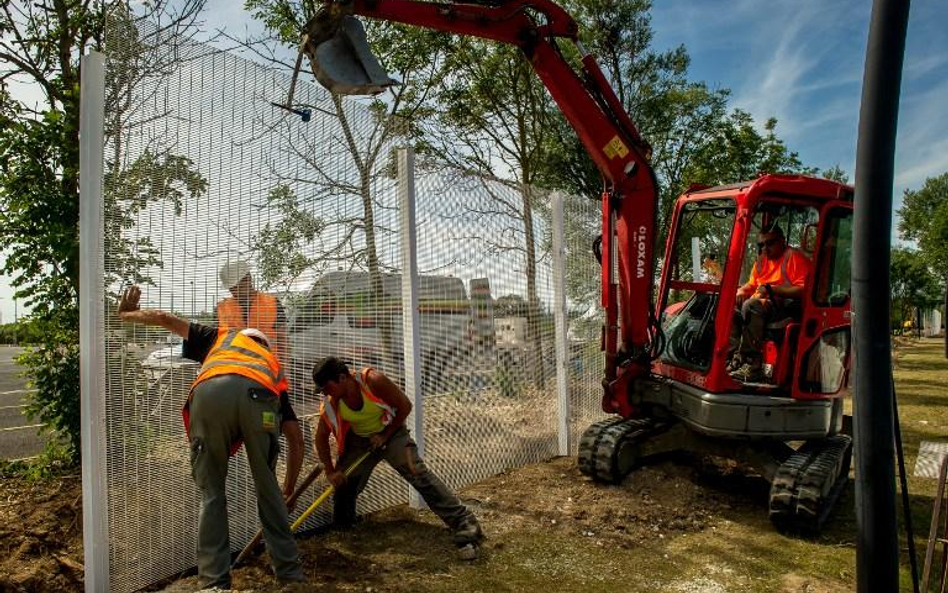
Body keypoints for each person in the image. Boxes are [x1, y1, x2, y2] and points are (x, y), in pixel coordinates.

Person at [117, 285, 305, 588]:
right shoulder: (270, 365)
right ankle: (289, 574)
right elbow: (296, 439)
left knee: (212, 494)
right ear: (264, 345)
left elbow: (166, 318)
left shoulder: (220, 337)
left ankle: (214, 581)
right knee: (267, 490)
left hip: (209, 394)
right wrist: (289, 488)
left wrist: (128, 314)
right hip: (260, 397)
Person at [311, 357, 485, 560]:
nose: (324, 393)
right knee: (344, 483)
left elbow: (405, 406)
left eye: (326, 387)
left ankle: (465, 522)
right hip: (360, 442)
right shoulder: (331, 404)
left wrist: (385, 435)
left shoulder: (373, 381)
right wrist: (331, 471)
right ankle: (345, 526)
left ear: (342, 378)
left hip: (392, 434)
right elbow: (321, 438)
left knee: (417, 472)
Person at [728, 225, 811, 382]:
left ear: (782, 241)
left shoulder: (794, 258)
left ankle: (752, 365)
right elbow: (751, 285)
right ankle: (732, 360)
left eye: (770, 243)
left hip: (785, 307)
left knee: (751, 306)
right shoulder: (761, 261)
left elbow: (803, 290)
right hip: (762, 303)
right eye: (761, 245)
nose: (765, 248)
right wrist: (741, 291)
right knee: (730, 310)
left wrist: (772, 290)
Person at [217, 259, 289, 364]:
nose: (233, 291)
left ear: (248, 279)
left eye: (236, 286)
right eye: (231, 288)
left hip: (268, 368)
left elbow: (283, 340)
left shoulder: (271, 303)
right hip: (234, 368)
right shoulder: (221, 309)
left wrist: (285, 373)